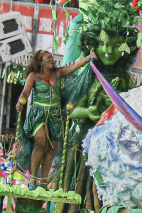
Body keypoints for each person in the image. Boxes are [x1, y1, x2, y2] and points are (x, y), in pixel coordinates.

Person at [15, 49, 94, 183]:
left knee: (51, 147)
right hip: (38, 114)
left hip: (55, 115)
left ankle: (43, 181)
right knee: (40, 140)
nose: (51, 59)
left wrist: (89, 57)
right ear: (40, 61)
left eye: (51, 57)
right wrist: (20, 102)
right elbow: (25, 93)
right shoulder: (34, 76)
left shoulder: (58, 73)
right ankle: (33, 178)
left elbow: (73, 66)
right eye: (47, 58)